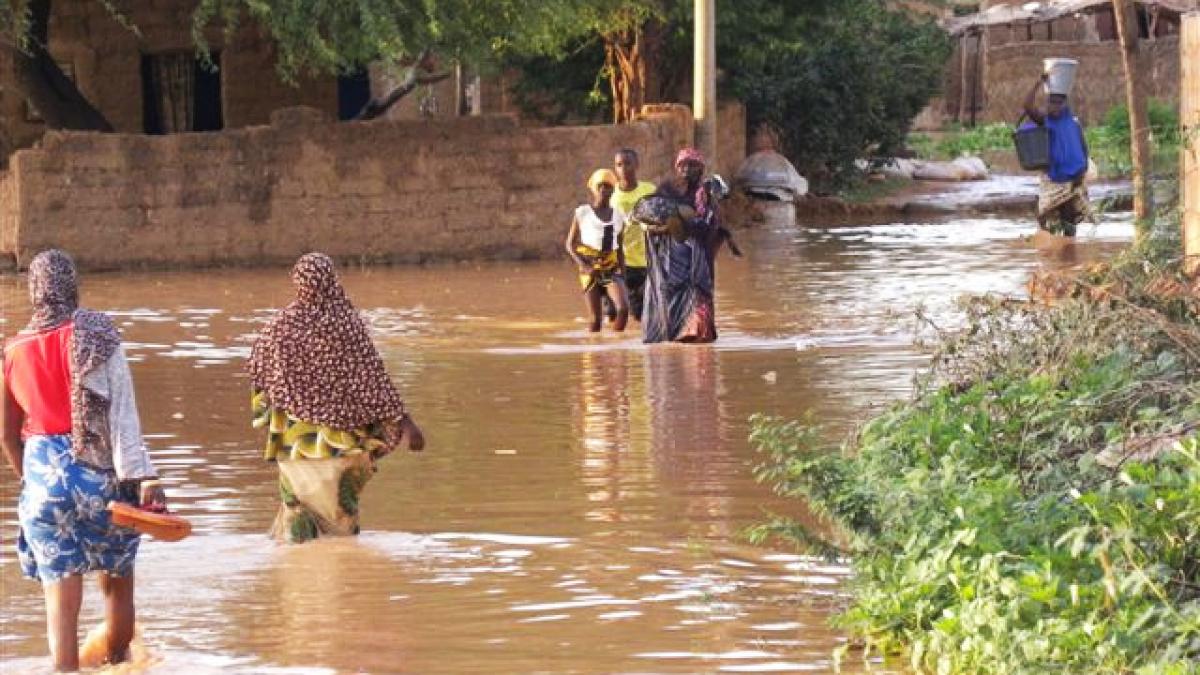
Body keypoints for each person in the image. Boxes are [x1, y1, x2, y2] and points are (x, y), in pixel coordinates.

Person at [1, 249, 164, 671]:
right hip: (101, 478)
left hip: (41, 481)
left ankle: (66, 670)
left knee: (60, 605)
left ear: (34, 290)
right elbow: (123, 414)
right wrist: (145, 478)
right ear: (72, 284)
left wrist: (35, 481)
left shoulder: (13, 349)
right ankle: (118, 662)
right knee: (116, 585)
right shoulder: (97, 333)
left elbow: (7, 434)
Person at [248, 253, 424, 544]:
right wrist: (405, 422)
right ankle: (344, 578)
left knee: (298, 515)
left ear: (298, 283)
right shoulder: (345, 323)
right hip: (338, 441)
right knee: (339, 518)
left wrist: (269, 426)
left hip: (294, 442)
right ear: (332, 279)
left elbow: (260, 379)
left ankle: (300, 581)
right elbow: (371, 378)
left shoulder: (277, 327)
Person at [641, 148, 728, 344]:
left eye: (692, 165)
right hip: (671, 262)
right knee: (669, 308)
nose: (687, 170)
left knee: (699, 317)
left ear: (701, 169)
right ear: (676, 168)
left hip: (698, 261)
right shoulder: (666, 192)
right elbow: (647, 217)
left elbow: (710, 224)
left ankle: (700, 364)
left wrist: (681, 224)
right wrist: (664, 227)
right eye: (683, 165)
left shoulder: (706, 194)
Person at [1023, 73, 1093, 236]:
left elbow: (1083, 149)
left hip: (1074, 181)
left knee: (1070, 223)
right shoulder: (1045, 121)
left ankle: (1068, 254)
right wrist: (1038, 83)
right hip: (1053, 180)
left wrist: (1081, 172)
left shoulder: (1074, 124)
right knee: (1046, 219)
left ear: (1064, 104)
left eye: (1057, 103)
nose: (1053, 107)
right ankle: (1052, 253)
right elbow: (1027, 106)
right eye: (1050, 103)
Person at [565, 169, 630, 333]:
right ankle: (594, 353)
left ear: (613, 189)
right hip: (590, 271)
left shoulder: (618, 215)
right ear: (593, 188)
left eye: (608, 186)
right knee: (595, 322)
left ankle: (616, 347)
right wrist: (584, 266)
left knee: (623, 309)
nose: (604, 189)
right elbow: (570, 244)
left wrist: (623, 273)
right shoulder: (583, 212)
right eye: (600, 186)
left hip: (610, 269)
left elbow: (619, 247)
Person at [609, 148, 657, 322]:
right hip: (621, 261)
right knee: (615, 313)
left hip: (647, 261)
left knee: (640, 314)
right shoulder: (610, 195)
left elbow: (660, 219)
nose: (623, 169)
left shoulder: (649, 190)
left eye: (627, 163)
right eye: (618, 165)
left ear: (636, 165)